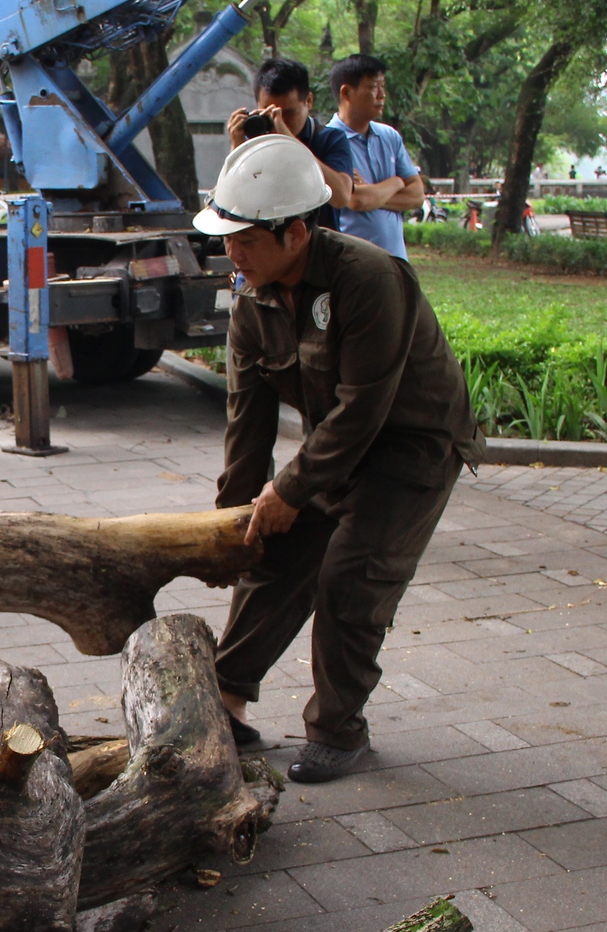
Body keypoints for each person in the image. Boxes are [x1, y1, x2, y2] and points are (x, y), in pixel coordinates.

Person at [193, 134, 482, 783]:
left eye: (244, 238)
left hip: (411, 445)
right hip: (339, 443)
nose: (231, 253)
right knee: (272, 552)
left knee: (351, 575)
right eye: (226, 238)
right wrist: (235, 522)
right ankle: (226, 701)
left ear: (295, 232)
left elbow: (365, 409)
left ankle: (338, 728)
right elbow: (248, 425)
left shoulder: (370, 279)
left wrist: (291, 488)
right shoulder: (251, 300)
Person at [225, 58, 356, 225]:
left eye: (288, 114)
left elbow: (341, 197)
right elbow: (230, 203)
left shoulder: (330, 139)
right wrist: (237, 148)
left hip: (318, 246)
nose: (279, 121)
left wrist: (290, 143)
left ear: (308, 101)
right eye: (269, 112)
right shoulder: (255, 144)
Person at [321, 55, 425, 259]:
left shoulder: (389, 137)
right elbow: (356, 200)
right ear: (347, 92)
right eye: (373, 87)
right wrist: (396, 182)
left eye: (382, 86)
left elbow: (417, 195)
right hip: (354, 264)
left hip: (397, 261)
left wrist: (372, 193)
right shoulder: (327, 142)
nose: (382, 95)